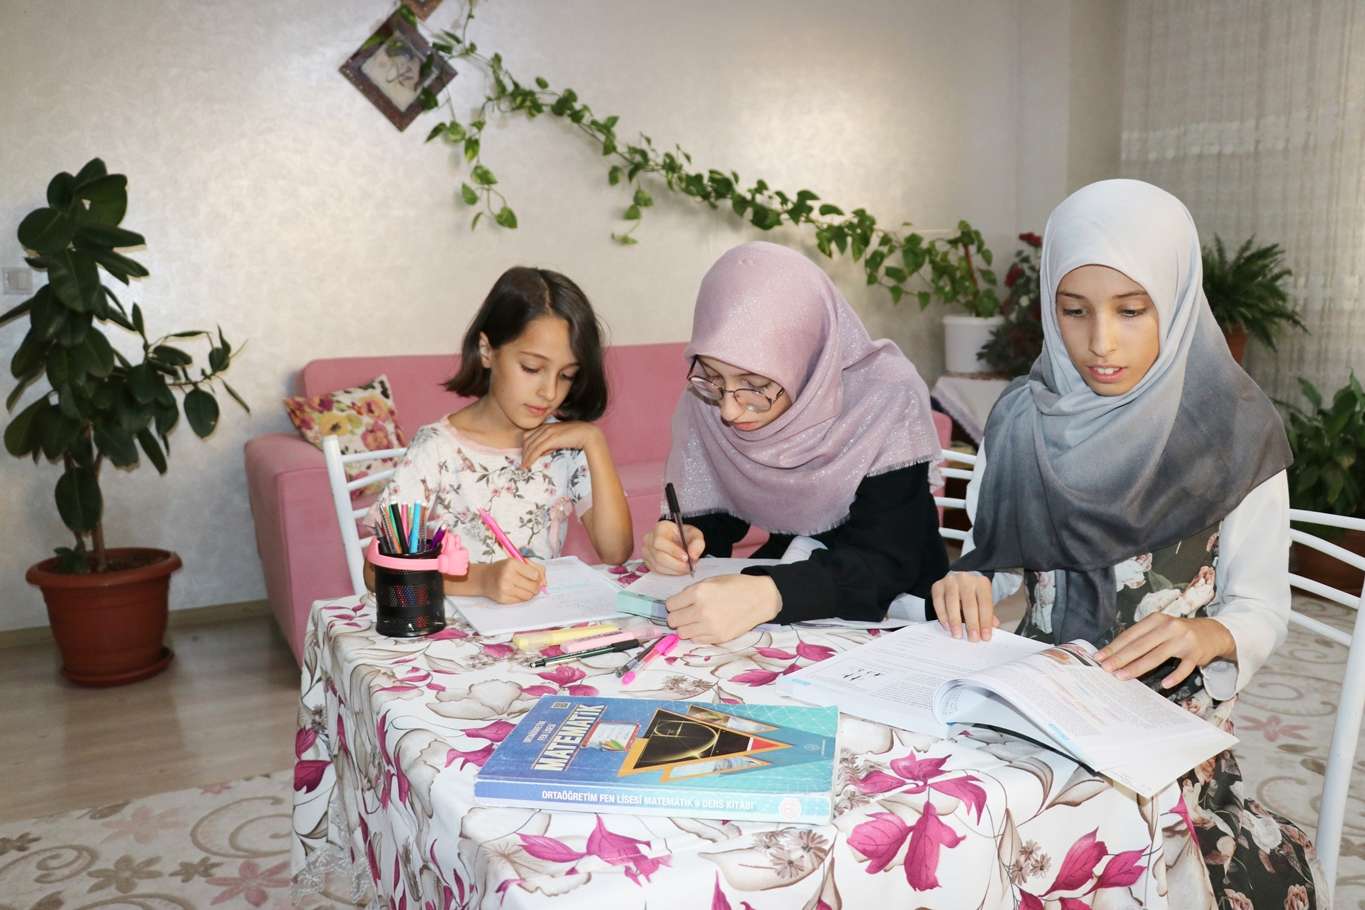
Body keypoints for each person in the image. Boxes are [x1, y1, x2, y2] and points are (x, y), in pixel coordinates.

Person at [935, 179, 1322, 907]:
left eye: (1131, 310)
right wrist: (970, 577)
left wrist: (1204, 634)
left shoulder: (1233, 433)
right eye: (1073, 310)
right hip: (1033, 710)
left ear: (1175, 301)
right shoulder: (1021, 422)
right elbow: (993, 565)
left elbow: (1262, 608)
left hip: (1166, 733)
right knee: (953, 835)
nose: (1100, 343)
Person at [641, 241, 949, 644]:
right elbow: (715, 518)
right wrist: (680, 540)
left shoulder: (884, 396)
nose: (729, 410)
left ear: (805, 359)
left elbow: (886, 561)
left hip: (899, 612)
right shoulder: (708, 398)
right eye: (713, 378)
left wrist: (769, 594)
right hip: (788, 591)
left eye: (755, 385)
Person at [364, 266, 632, 602]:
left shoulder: (566, 446)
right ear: (487, 350)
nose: (549, 392)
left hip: (537, 626)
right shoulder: (437, 448)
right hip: (456, 628)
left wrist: (594, 441)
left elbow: (616, 551)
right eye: (532, 368)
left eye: (566, 375)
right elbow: (376, 572)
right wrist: (481, 580)